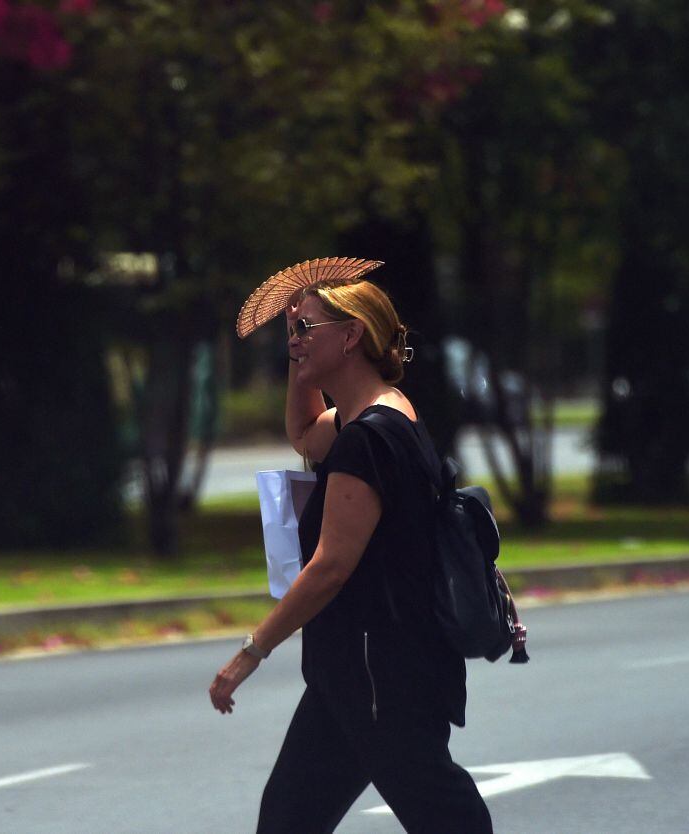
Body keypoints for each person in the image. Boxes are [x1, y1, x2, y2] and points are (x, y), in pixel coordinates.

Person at [209, 277, 493, 833]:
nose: (295, 340)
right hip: (355, 673)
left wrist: (251, 651)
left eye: (308, 329)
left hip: (381, 675)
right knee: (289, 820)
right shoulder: (382, 416)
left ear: (351, 336)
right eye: (293, 330)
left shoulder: (367, 440)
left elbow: (330, 567)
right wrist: (298, 348)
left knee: (444, 816)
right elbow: (301, 432)